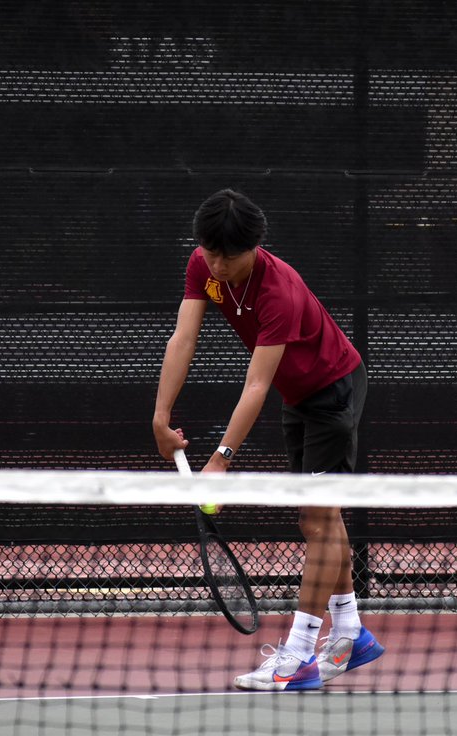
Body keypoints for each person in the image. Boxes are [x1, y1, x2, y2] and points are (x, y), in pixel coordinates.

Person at [153, 188, 385, 691]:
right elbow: (183, 339)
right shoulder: (203, 265)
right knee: (322, 517)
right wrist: (161, 414)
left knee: (317, 519)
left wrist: (220, 459)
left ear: (254, 248)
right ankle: (350, 634)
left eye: (228, 255)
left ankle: (299, 656)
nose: (216, 264)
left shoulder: (277, 289)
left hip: (333, 392)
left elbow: (256, 383)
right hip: (298, 396)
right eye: (210, 252)